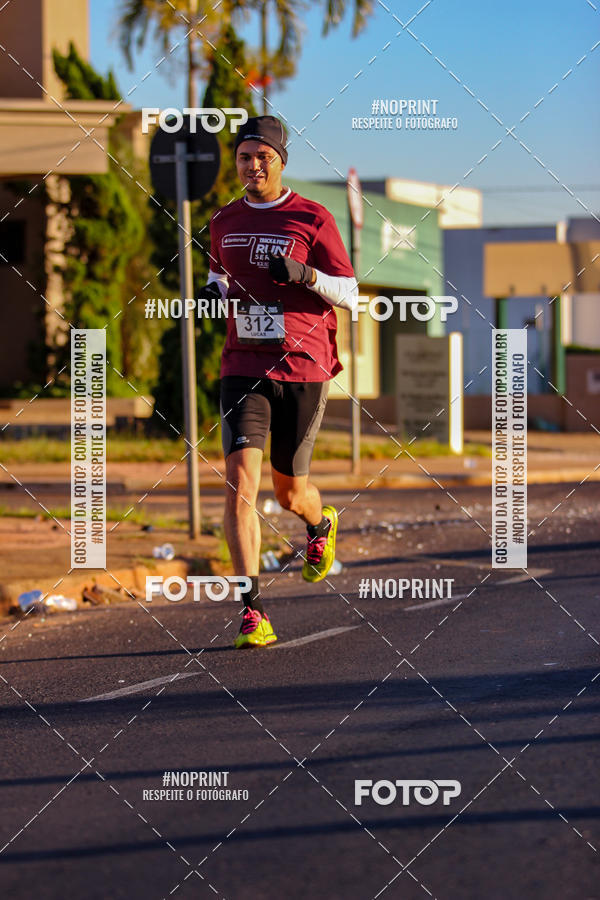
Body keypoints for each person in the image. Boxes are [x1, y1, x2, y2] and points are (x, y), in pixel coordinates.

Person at [204, 115, 358, 648]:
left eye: (261, 156)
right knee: (240, 487)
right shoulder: (223, 220)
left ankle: (319, 524)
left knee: (289, 492)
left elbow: (351, 292)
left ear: (281, 161)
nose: (252, 165)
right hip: (242, 365)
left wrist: (306, 276)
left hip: (303, 366)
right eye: (244, 156)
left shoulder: (312, 218)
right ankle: (252, 611)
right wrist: (213, 293)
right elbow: (218, 273)